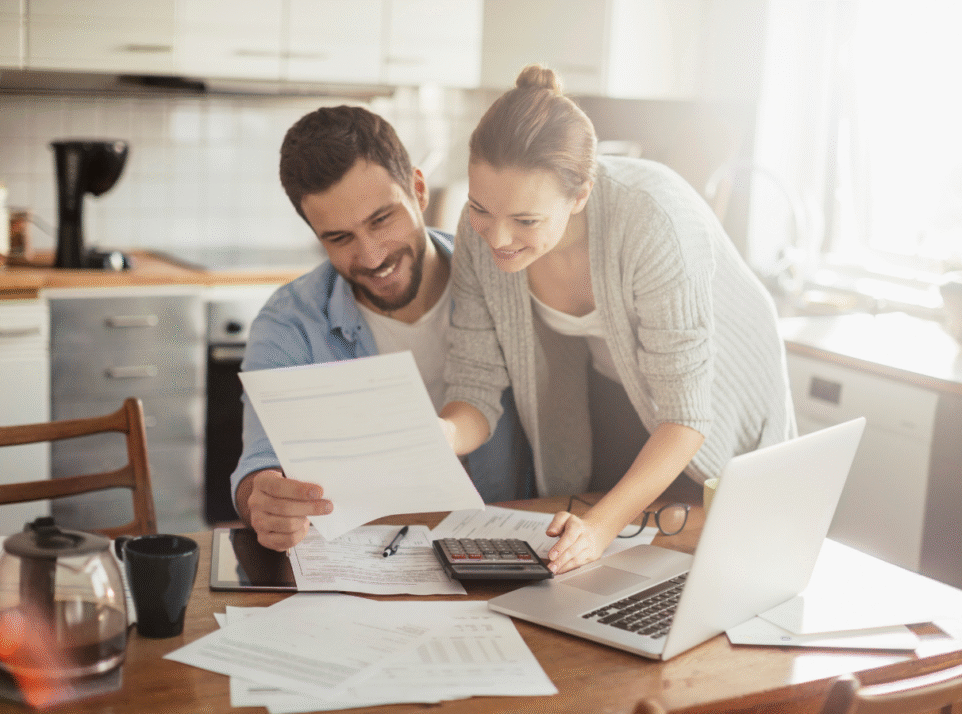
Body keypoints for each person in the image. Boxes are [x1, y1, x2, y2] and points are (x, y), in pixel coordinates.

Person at [439, 65, 796, 575]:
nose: (495, 238)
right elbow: (474, 386)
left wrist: (601, 527)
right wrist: (441, 435)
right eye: (480, 209)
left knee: (712, 546)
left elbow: (685, 417)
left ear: (580, 194)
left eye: (526, 220)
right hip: (616, 375)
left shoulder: (654, 221)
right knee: (608, 553)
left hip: (718, 388)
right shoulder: (481, 233)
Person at [232, 105, 533, 552]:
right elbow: (260, 463)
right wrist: (266, 499)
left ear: (418, 188)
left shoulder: (502, 279)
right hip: (366, 560)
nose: (372, 257)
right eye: (339, 238)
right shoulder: (289, 322)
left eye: (381, 220)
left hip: (507, 549)